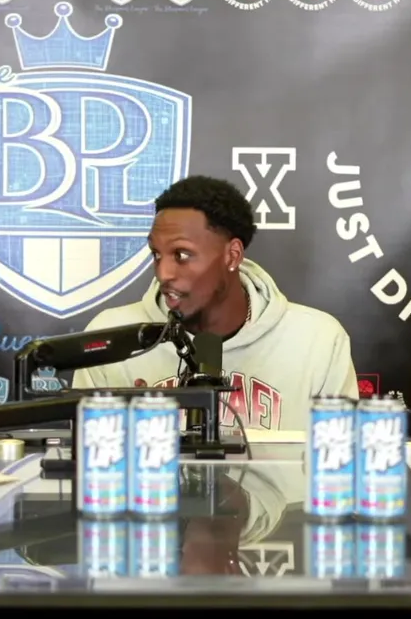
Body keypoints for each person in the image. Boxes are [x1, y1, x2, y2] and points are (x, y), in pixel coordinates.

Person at [73, 176, 358, 432]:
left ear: (232, 256)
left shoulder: (318, 341)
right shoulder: (111, 339)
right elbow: (90, 462)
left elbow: (338, 461)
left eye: (182, 255)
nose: (164, 273)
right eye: (157, 254)